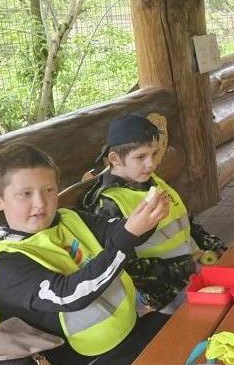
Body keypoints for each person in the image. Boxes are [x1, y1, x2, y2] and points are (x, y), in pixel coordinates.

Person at [0, 141, 170, 365]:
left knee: (195, 339)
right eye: (25, 194)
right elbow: (68, 294)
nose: (40, 203)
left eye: (49, 190)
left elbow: (117, 233)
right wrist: (128, 237)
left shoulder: (67, 219)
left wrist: (145, 221)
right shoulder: (5, 264)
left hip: (127, 334)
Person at [82, 114, 226, 312]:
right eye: (140, 157)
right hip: (161, 295)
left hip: (191, 273)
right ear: (115, 159)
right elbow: (125, 267)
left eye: (155, 153)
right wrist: (188, 266)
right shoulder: (107, 205)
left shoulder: (152, 181)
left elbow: (185, 224)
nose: (152, 164)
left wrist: (214, 245)